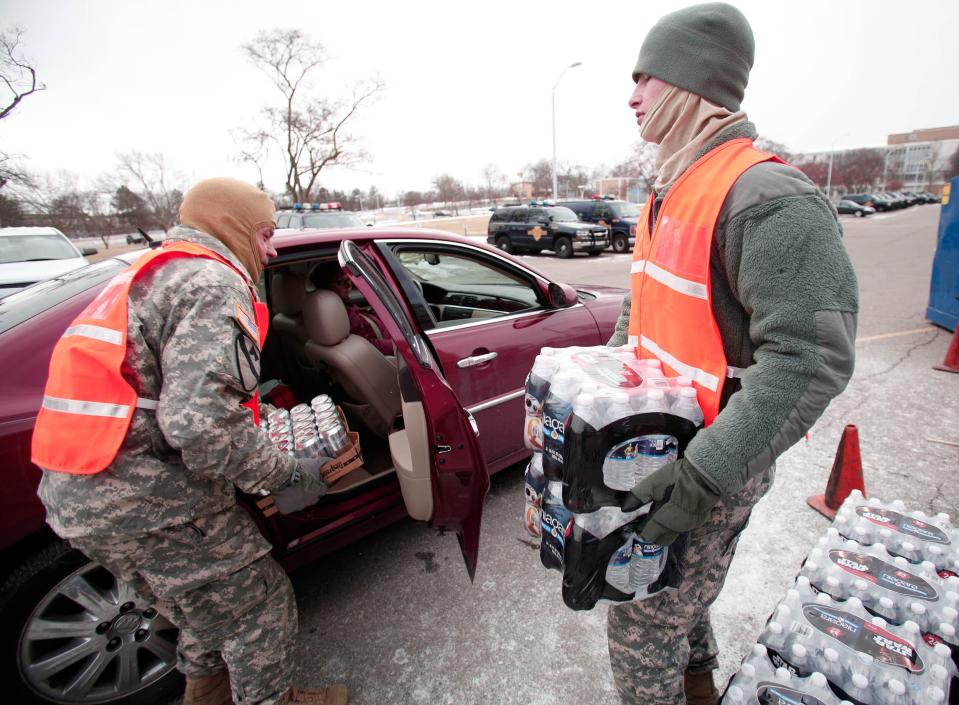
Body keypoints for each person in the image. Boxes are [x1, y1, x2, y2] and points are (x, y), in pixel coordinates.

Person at [605, 4, 859, 704]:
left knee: (638, 626)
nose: (630, 95)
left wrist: (703, 473)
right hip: (661, 447)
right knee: (675, 599)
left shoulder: (764, 194)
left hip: (714, 461)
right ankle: (698, 686)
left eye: (645, 78)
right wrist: (600, 385)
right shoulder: (673, 182)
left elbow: (811, 356)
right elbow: (644, 304)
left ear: (691, 84)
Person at [32, 177, 349, 705]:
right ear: (232, 227)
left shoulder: (151, 273)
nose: (271, 250)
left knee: (205, 612)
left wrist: (257, 419)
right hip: (147, 498)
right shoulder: (211, 283)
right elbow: (200, 426)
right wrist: (286, 475)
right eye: (266, 234)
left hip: (82, 492)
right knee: (259, 606)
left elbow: (163, 394)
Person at [312, 262, 392, 355]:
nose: (348, 285)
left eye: (348, 279)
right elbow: (369, 346)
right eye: (341, 282)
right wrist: (398, 346)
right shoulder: (342, 314)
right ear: (326, 286)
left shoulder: (337, 308)